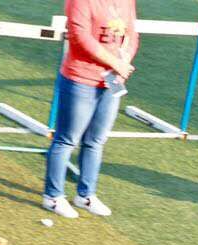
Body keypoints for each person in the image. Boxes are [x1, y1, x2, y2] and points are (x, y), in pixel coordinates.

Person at [42, 0, 139, 220]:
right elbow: (81, 37)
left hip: (111, 80)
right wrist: (115, 63)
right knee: (67, 139)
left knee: (96, 141)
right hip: (80, 79)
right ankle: (53, 196)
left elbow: (132, 34)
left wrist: (124, 61)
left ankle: (86, 195)